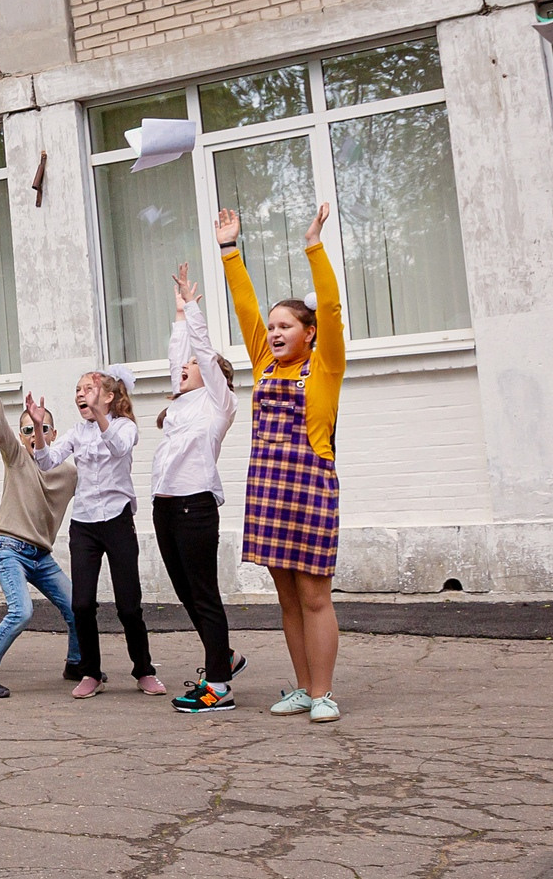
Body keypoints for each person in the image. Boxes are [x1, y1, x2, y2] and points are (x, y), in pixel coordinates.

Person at [220, 204, 346, 724]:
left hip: (311, 485)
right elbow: (244, 305)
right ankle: (300, 688)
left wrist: (313, 246)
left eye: (285, 325)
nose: (272, 332)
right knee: (287, 598)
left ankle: (324, 693)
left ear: (309, 332)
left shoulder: (326, 365)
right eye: (270, 327)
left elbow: (332, 309)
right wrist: (230, 249)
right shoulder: (264, 363)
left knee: (314, 595)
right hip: (268, 487)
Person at [151, 264, 245, 714]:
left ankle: (220, 686)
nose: (185, 368)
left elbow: (203, 354)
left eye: (193, 367)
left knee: (204, 593)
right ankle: (220, 654)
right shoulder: (183, 400)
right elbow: (179, 356)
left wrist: (193, 313)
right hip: (165, 508)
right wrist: (178, 318)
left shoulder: (219, 402)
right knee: (187, 593)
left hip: (196, 507)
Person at [35, 365, 154, 699]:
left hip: (117, 520)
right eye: (77, 390)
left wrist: (102, 416)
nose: (80, 395)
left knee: (129, 604)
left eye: (87, 388)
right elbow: (46, 462)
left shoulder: (125, 427)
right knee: (82, 603)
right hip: (84, 524)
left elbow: (118, 448)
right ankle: (90, 672)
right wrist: (39, 429)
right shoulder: (75, 431)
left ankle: (143, 670)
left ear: (108, 395)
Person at [0, 367, 80, 699]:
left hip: (41, 556)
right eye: (28, 430)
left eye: (42, 428)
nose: (34, 435)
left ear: (54, 434)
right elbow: (1, 429)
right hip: (10, 549)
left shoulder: (69, 473)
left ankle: (76, 662)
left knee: (77, 607)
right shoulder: (17, 458)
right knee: (22, 610)